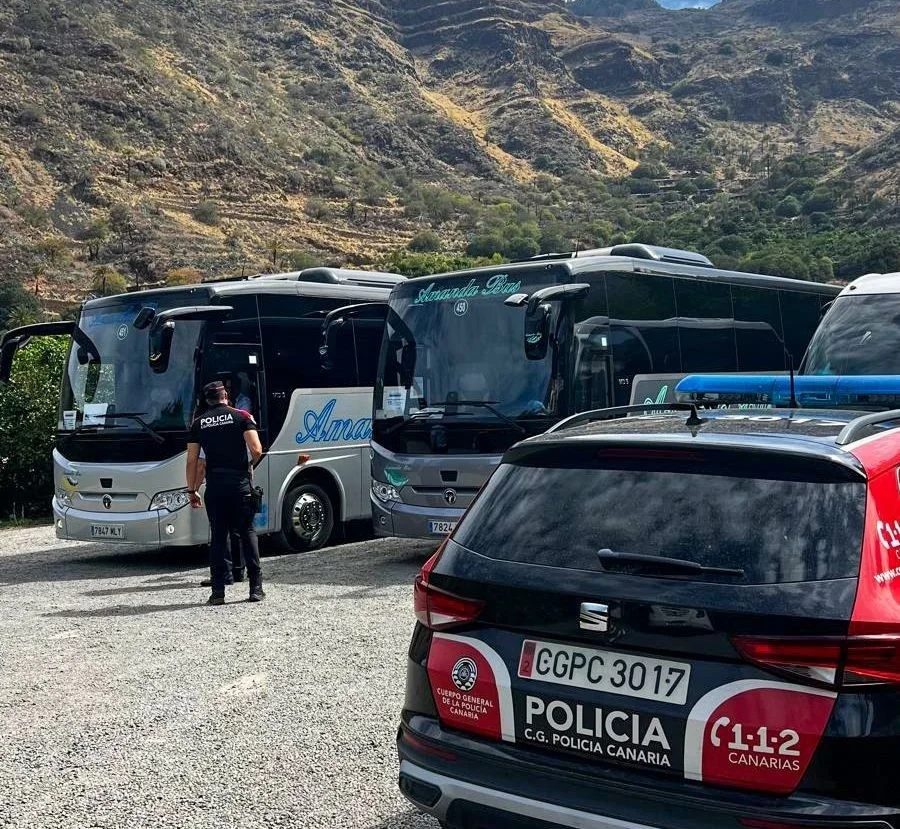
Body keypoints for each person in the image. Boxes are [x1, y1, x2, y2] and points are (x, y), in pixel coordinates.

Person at [186, 380, 264, 605]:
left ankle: (218, 592)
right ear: (226, 396)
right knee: (247, 532)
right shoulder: (242, 416)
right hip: (239, 484)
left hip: (216, 486)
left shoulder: (199, 423)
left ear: (207, 401)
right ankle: (255, 589)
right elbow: (257, 449)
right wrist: (248, 466)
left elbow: (195, 462)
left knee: (218, 537)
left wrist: (192, 490)